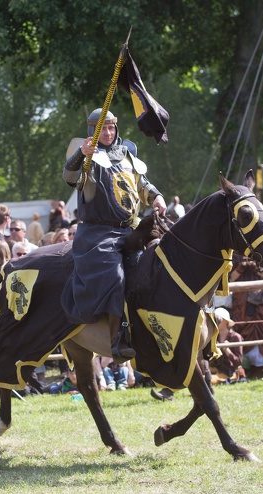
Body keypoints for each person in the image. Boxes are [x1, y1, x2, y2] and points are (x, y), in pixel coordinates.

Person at [61, 108, 166, 361]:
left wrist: (157, 197)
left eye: (111, 127)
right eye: (102, 128)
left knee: (162, 262)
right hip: (99, 233)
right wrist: (82, 154)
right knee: (116, 277)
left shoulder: (127, 155)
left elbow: (142, 185)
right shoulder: (87, 157)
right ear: (93, 131)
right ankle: (119, 334)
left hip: (133, 229)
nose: (108, 132)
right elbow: (70, 176)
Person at [210, 307, 246, 384]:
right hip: (215, 371)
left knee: (207, 380)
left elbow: (238, 362)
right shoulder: (213, 337)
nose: (215, 322)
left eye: (218, 319)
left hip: (231, 373)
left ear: (226, 321)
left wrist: (227, 350)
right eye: (214, 320)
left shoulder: (236, 337)